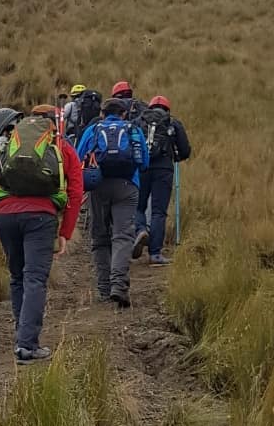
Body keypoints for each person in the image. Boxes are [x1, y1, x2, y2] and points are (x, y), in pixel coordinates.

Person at [0, 105, 84, 365]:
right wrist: (66, 232)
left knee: (17, 277)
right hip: (40, 217)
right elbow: (75, 190)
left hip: (5, 216)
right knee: (35, 279)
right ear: (54, 123)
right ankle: (27, 346)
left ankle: (22, 336)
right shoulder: (60, 146)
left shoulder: (12, 144)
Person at [77, 98, 149, 307]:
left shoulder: (93, 130)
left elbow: (77, 156)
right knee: (123, 236)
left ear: (102, 113)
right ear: (124, 113)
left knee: (100, 237)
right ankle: (119, 286)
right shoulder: (133, 130)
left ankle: (104, 288)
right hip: (127, 186)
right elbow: (144, 162)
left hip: (98, 186)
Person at [133, 96, 192, 265]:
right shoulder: (172, 123)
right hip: (164, 170)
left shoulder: (139, 121)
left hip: (141, 167)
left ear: (150, 107)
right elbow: (185, 150)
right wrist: (174, 157)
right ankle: (155, 254)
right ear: (167, 109)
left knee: (139, 205)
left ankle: (140, 230)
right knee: (159, 211)